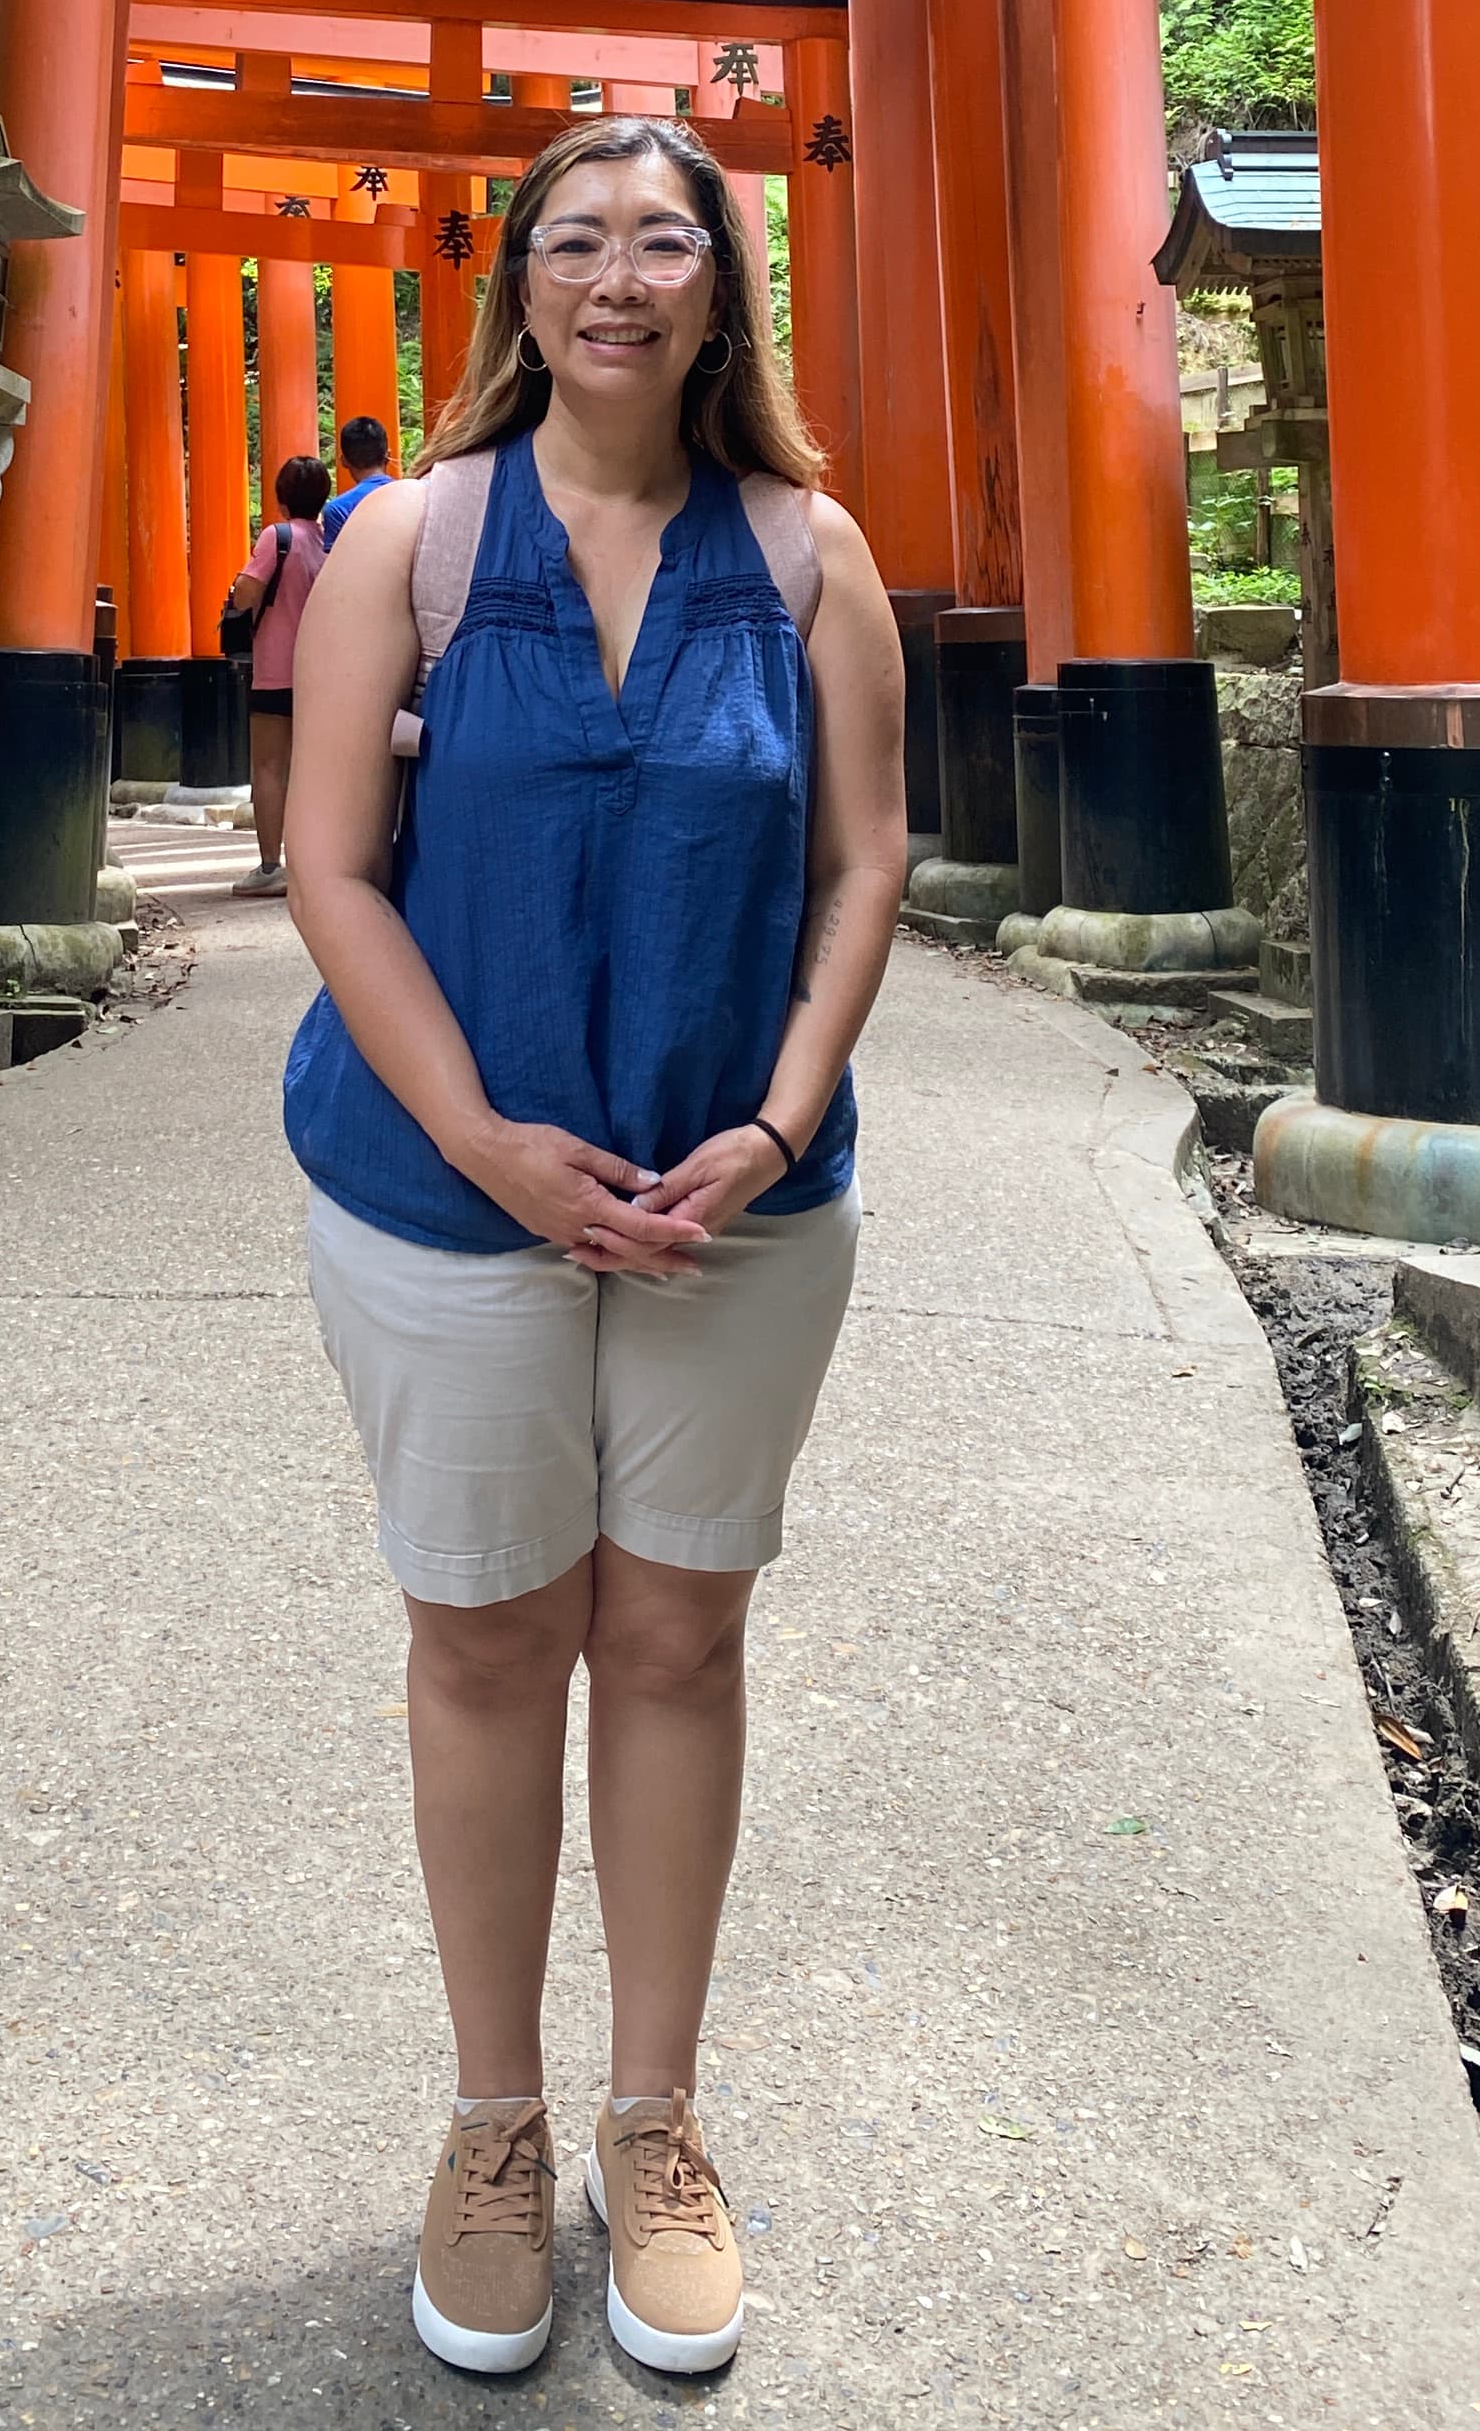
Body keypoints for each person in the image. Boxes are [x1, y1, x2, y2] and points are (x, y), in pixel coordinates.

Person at [280, 119, 907, 2381]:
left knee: (673, 1642)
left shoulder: (815, 557)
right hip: (450, 1200)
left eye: (665, 242)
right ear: (516, 287)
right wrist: (491, 1141)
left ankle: (654, 2120)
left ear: (725, 289)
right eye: (575, 242)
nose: (618, 279)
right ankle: (492, 2123)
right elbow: (331, 868)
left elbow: (864, 859)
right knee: (482, 1642)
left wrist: (774, 1116)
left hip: (739, 1205)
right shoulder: (410, 543)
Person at [221, 452, 328, 896]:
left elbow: (246, 594)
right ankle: (317, 861)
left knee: (269, 766)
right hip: (319, 672)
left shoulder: (277, 537)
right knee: (312, 769)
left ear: (281, 498)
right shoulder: (327, 540)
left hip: (274, 670)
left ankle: (270, 867)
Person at [320, 409, 395, 547]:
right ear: (388, 455)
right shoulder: (415, 497)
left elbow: (334, 564)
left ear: (343, 461)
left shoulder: (338, 510)